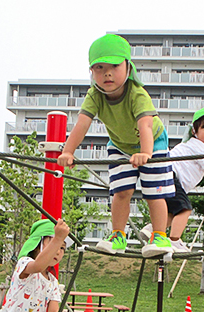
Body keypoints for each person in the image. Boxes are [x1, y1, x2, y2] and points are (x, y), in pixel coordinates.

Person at [57, 34, 175, 258]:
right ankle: (118, 235)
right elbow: (82, 124)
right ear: (91, 72)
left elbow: (146, 125)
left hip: (153, 143)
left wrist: (146, 153)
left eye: (114, 66)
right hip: (120, 145)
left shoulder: (136, 93)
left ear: (128, 68)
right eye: (99, 67)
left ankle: (159, 235)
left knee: (153, 191)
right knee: (121, 191)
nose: (107, 73)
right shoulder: (95, 95)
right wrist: (67, 151)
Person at [140, 107, 204, 252]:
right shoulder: (200, 147)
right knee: (185, 209)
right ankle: (174, 240)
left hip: (163, 176)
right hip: (171, 176)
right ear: (194, 131)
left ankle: (151, 229)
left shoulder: (189, 145)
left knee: (173, 212)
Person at [0, 219, 70, 312]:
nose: (57, 251)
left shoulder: (53, 282)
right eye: (53, 244)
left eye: (62, 248)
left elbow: (53, 310)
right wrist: (58, 238)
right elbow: (38, 266)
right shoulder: (24, 263)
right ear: (37, 243)